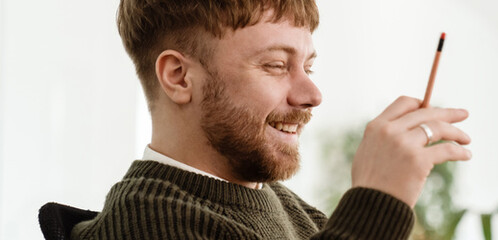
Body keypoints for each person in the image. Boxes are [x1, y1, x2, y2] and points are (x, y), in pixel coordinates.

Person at [71, 0, 473, 239]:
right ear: (179, 77)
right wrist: (375, 203)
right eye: (277, 65)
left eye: (308, 68)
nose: (312, 96)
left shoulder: (281, 203)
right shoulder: (144, 225)